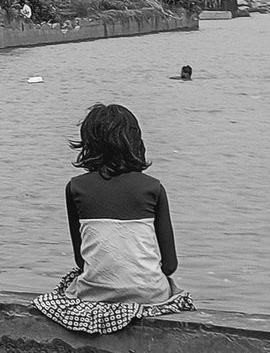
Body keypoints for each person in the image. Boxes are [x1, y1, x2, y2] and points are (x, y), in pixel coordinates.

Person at [33, 103, 193, 333]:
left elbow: (81, 261)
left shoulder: (76, 188)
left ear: (88, 144)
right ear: (135, 142)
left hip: (94, 295)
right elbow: (170, 265)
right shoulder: (153, 188)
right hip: (150, 295)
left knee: (68, 286)